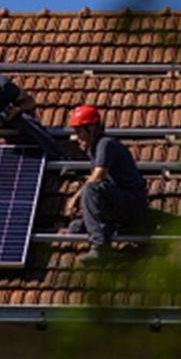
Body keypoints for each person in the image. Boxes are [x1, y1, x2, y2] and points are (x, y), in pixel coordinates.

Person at [64, 104, 148, 264]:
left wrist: (75, 198)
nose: (77, 137)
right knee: (76, 227)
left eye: (79, 131)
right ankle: (110, 227)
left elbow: (97, 177)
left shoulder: (105, 144)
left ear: (92, 128)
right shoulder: (94, 150)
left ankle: (100, 248)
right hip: (117, 205)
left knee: (90, 188)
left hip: (133, 203)